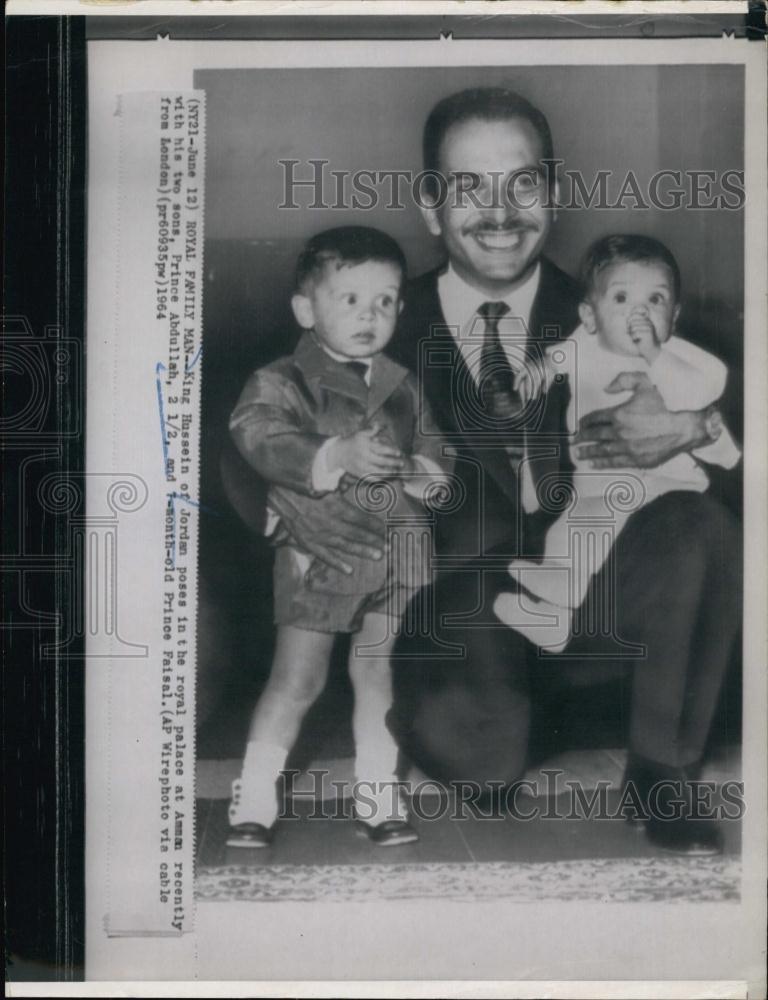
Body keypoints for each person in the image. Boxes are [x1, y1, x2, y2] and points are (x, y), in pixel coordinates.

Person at [231, 88, 741, 856]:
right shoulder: (374, 307)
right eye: (469, 187)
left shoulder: (623, 304)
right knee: (485, 762)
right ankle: (515, 721)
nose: (499, 212)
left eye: (523, 183)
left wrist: (695, 426)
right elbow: (260, 410)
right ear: (431, 206)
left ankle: (662, 765)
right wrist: (293, 498)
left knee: (699, 523)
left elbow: (737, 442)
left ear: (555, 195)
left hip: (606, 600)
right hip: (458, 609)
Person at [226, 226, 450, 848]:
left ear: (401, 309)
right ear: (306, 308)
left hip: (400, 550)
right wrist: (332, 454)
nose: (369, 315)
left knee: (378, 672)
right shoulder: (280, 379)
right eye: (349, 298)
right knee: (298, 679)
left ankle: (378, 795)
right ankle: (253, 796)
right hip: (319, 555)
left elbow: (438, 452)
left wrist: (418, 471)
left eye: (384, 301)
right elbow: (257, 433)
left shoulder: (404, 383)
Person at [498, 234, 740, 650]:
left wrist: (654, 355)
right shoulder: (585, 347)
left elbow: (704, 391)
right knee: (566, 532)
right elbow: (558, 357)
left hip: (664, 487)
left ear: (675, 315)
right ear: (589, 316)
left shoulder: (682, 357)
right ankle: (556, 620)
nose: (640, 314)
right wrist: (537, 373)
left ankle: (571, 593)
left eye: (657, 300)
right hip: (595, 487)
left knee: (602, 526)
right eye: (622, 298)